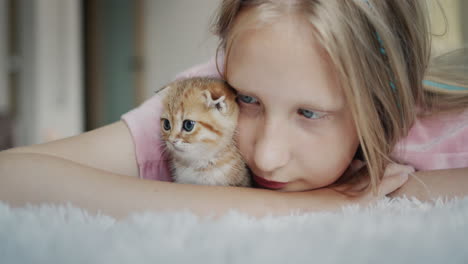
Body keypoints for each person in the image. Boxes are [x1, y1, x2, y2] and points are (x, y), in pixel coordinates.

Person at [1, 0, 467, 219]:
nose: (265, 157)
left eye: (310, 113)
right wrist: (318, 206)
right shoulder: (209, 96)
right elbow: (11, 177)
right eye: (249, 101)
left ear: (385, 105)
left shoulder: (440, 136)